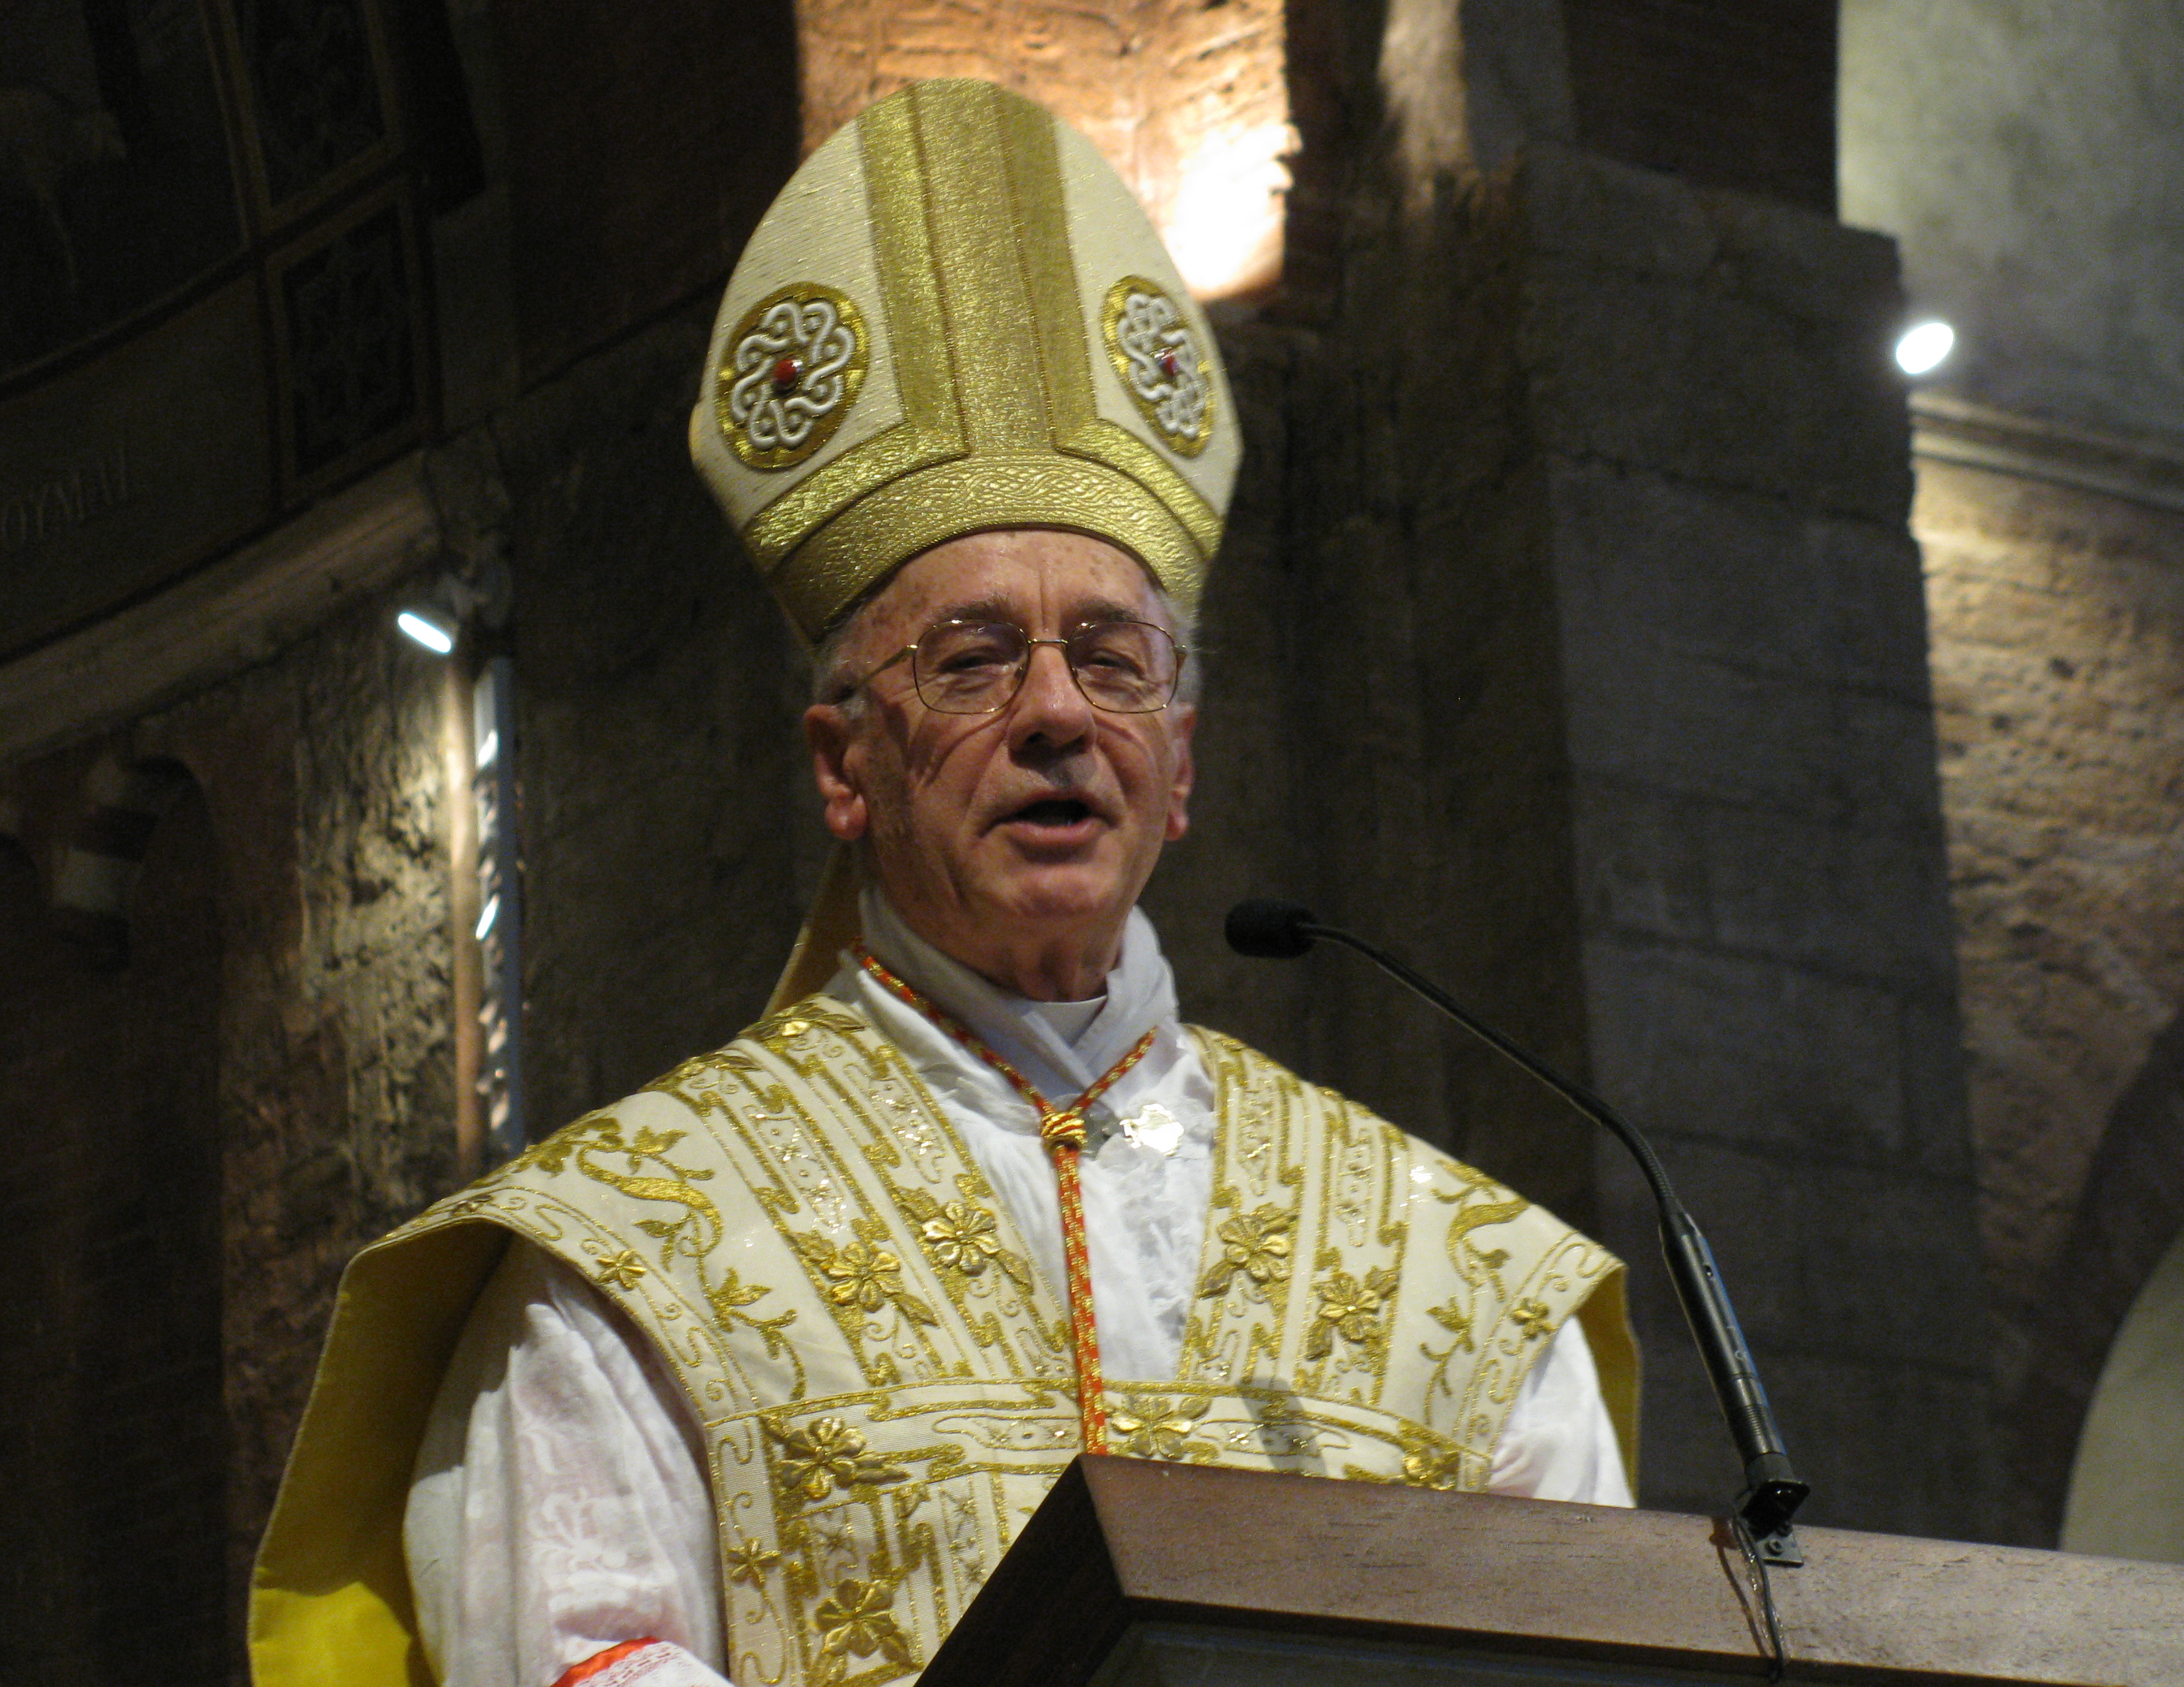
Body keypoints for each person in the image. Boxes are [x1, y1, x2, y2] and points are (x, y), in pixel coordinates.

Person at [250, 79, 1638, 1687]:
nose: (1057, 711)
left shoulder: (1462, 1278)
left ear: (1179, 765)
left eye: (1111, 663)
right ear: (844, 765)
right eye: (975, 658)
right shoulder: (628, 1263)